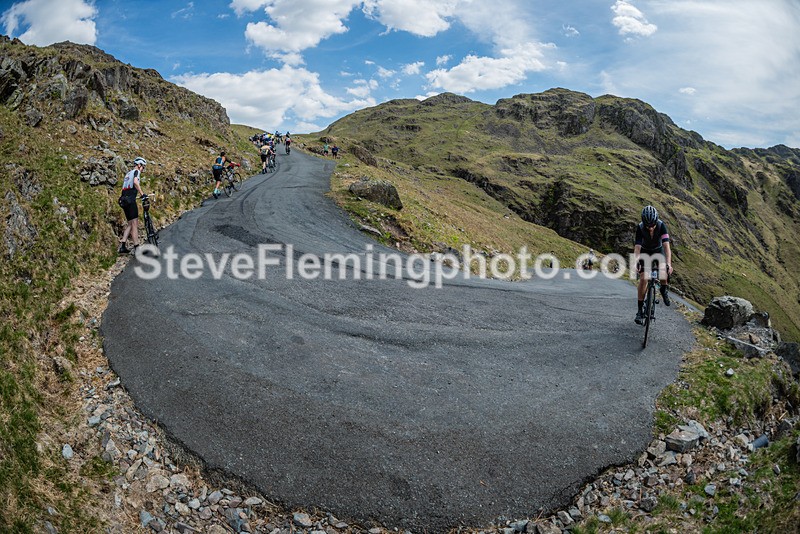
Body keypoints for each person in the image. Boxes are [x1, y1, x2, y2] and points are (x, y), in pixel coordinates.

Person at [634, 205, 673, 324]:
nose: (650, 229)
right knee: (643, 278)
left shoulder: (661, 226)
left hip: (658, 250)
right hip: (645, 251)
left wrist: (669, 264)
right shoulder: (640, 228)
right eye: (648, 226)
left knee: (663, 271)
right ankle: (640, 311)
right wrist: (636, 262)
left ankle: (664, 289)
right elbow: (637, 247)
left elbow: (666, 247)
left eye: (652, 226)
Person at [117, 157, 147, 254]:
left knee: (130, 223)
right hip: (130, 200)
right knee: (134, 223)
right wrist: (142, 194)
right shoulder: (136, 172)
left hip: (124, 200)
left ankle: (122, 246)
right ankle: (137, 247)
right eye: (143, 167)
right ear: (139, 165)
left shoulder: (128, 173)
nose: (143, 169)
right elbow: (135, 182)